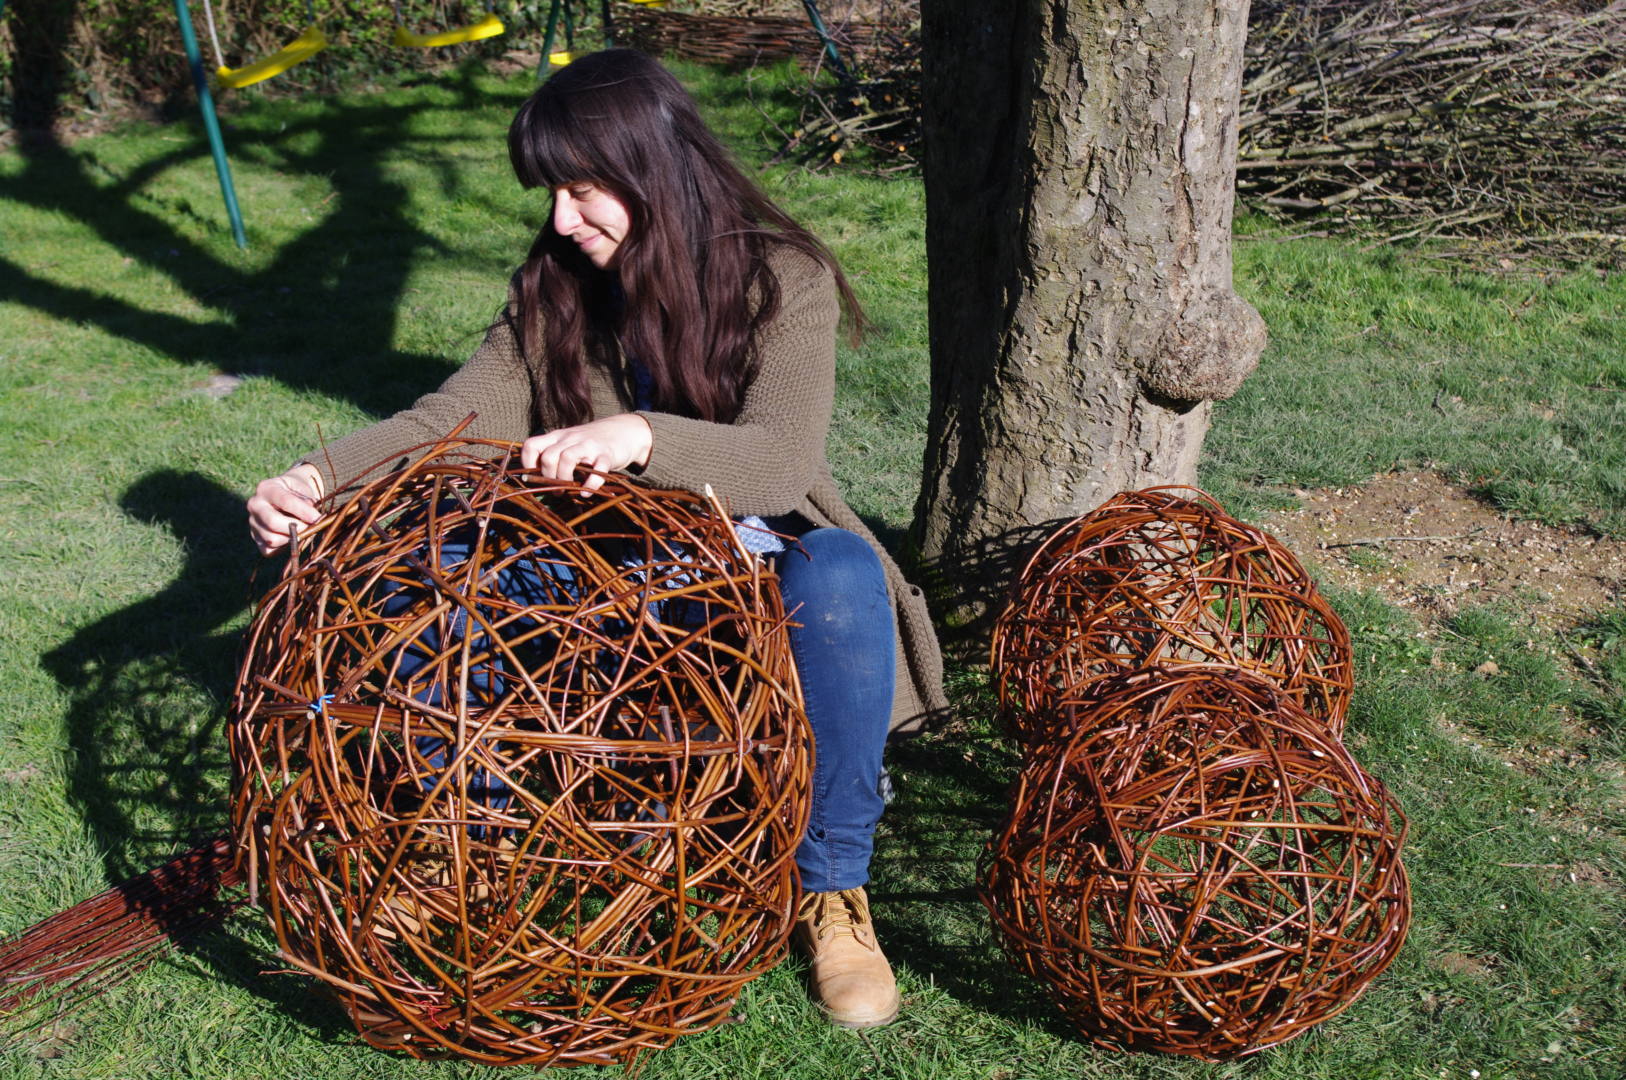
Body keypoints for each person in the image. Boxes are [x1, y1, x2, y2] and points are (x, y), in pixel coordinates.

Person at [245, 49, 946, 1030]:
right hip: (612, 561)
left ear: (654, 168)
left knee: (839, 575)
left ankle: (831, 891)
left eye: (583, 190)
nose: (564, 220)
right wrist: (320, 477)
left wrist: (640, 437)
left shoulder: (782, 278)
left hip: (751, 561)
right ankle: (468, 838)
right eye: (554, 195)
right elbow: (454, 418)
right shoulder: (553, 290)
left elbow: (781, 463)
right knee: (445, 568)